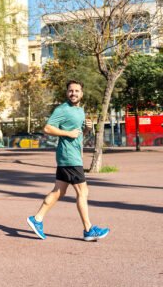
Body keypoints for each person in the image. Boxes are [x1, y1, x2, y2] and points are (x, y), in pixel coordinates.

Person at [26, 80, 110, 242]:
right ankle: (88, 229)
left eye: (77, 91)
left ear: (82, 93)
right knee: (83, 192)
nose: (74, 93)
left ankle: (37, 219)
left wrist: (87, 128)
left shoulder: (79, 110)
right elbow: (47, 128)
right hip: (69, 157)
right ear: (67, 93)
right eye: (71, 91)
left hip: (72, 157)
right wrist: (67, 134)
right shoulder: (62, 109)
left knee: (59, 191)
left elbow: (78, 134)